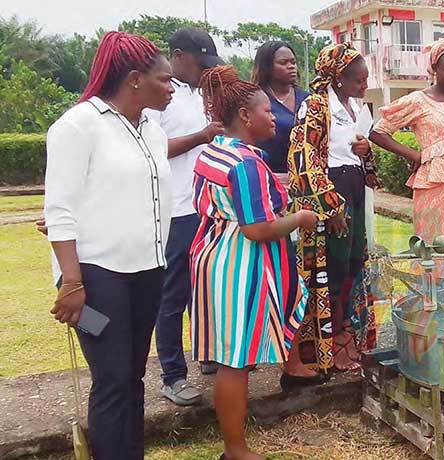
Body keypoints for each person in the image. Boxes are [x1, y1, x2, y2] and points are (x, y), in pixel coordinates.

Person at [44, 31, 175, 459]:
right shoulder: (78, 126)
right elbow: (60, 210)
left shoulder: (151, 129)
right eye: (165, 79)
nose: (172, 88)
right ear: (135, 79)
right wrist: (72, 282)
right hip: (96, 278)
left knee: (133, 374)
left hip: (147, 271)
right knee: (113, 374)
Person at [192, 65, 324, 460]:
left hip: (214, 255)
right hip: (241, 265)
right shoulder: (246, 163)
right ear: (245, 116)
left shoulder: (215, 151)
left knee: (233, 357)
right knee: (236, 362)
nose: (273, 117)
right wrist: (301, 218)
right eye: (267, 111)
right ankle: (235, 450)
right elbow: (258, 229)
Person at [287, 43, 380, 373]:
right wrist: (331, 206)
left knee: (354, 265)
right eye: (358, 81)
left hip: (354, 188)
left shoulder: (354, 108)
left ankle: (347, 336)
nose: (364, 87)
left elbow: (362, 158)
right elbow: (305, 159)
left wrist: (366, 150)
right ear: (338, 79)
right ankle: (327, 348)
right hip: (332, 194)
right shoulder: (314, 106)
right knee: (333, 270)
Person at [145, 26, 225, 406]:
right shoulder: (155, 100)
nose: (204, 70)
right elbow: (153, 151)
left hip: (205, 207)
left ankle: (206, 354)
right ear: (178, 55)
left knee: (205, 290)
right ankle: (173, 375)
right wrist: (203, 135)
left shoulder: (198, 95)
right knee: (172, 296)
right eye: (200, 62)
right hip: (174, 211)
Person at [370, 36, 444, 246]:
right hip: (433, 190)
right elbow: (378, 133)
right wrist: (414, 155)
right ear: (434, 69)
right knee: (435, 249)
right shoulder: (417, 101)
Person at [253, 41, 310, 188]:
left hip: (307, 183)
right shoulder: (255, 99)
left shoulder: (308, 99)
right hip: (269, 180)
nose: (291, 66)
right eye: (283, 63)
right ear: (267, 67)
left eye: (293, 62)